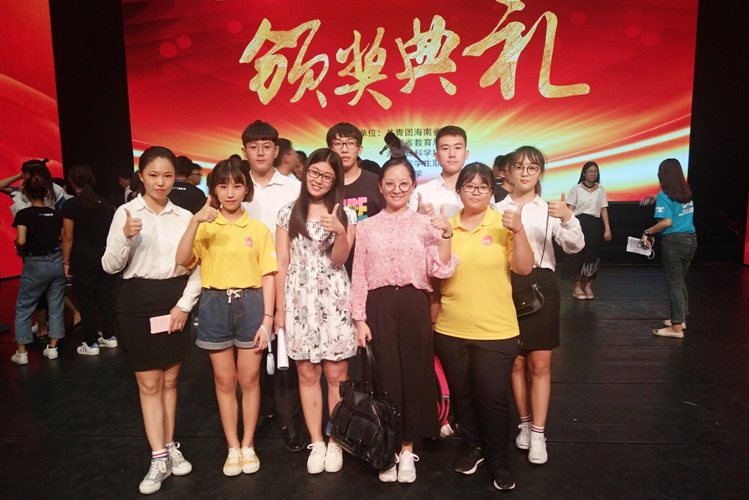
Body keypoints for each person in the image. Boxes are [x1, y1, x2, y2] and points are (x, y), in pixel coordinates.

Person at [352, 157, 459, 483]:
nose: (396, 189)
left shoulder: (425, 224)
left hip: (414, 304)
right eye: (390, 184)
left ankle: (407, 449)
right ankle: (386, 449)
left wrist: (446, 234)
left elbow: (441, 269)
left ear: (413, 186)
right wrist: (359, 319)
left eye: (403, 184)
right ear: (380, 187)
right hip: (379, 306)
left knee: (415, 376)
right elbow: (359, 275)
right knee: (383, 380)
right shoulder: (366, 227)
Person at [101, 146, 201, 495]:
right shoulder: (126, 212)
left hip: (174, 301)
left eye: (168, 175)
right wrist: (126, 237)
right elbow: (110, 266)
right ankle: (158, 457)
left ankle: (170, 446)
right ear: (141, 176)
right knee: (149, 384)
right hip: (137, 303)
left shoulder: (185, 216)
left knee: (171, 381)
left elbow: (197, 267)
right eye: (154, 175)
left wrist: (184, 306)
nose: (161, 182)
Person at [433, 163, 534, 491]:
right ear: (459, 190)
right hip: (451, 328)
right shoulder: (446, 226)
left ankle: (498, 457)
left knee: (492, 398)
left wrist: (519, 230)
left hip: (496, 330)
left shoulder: (504, 223)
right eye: (469, 185)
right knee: (462, 396)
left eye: (483, 186)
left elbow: (523, 268)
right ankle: (473, 446)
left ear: (492, 191)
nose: (476, 191)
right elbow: (436, 274)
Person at [176, 156, 277, 476]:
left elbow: (269, 275)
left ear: (246, 189)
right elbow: (182, 260)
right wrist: (195, 221)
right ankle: (232, 447)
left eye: (237, 185)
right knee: (224, 381)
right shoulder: (205, 226)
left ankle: (248, 445)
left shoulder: (258, 229)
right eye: (223, 186)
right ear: (214, 190)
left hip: (251, 304)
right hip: (214, 305)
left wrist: (268, 319)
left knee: (249, 380)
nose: (230, 192)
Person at [495, 146, 584, 466]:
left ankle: (538, 433)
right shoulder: (495, 207)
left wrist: (569, 218)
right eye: (518, 167)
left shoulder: (549, 209)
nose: (524, 173)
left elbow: (575, 246)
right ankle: (523, 424)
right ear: (507, 171)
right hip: (504, 288)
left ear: (540, 174)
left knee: (540, 366)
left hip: (540, 288)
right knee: (515, 364)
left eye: (531, 168)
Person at [275, 148, 358, 475]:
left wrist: (339, 230)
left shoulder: (345, 214)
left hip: (333, 299)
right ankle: (316, 442)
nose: (319, 180)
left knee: (336, 375)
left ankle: (336, 440)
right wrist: (279, 310)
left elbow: (340, 260)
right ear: (305, 171)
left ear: (335, 181)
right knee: (307, 373)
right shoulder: (287, 212)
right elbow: (282, 263)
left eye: (327, 176)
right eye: (314, 172)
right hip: (298, 300)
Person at [240, 120, 304, 452]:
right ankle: (261, 413)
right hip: (246, 283)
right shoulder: (237, 187)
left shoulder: (294, 189)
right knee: (252, 351)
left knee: (287, 355)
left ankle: (290, 421)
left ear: (276, 150)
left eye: (267, 146)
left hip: (286, 280)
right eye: (254, 147)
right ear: (244, 151)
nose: (261, 153)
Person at [61, 164, 118, 355]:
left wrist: (66, 262)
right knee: (105, 297)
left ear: (71, 181)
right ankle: (109, 336)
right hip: (103, 256)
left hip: (82, 259)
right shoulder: (104, 204)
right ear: (92, 179)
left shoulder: (70, 205)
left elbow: (68, 237)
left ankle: (91, 343)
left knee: (86, 301)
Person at [10, 173, 67, 365]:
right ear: (47, 193)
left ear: (26, 192)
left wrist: (19, 249)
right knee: (56, 304)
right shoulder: (56, 214)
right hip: (57, 261)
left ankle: (22, 352)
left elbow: (21, 240)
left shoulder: (24, 214)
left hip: (35, 263)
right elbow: (63, 238)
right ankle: (53, 348)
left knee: (24, 306)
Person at [642, 159, 696, 338]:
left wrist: (647, 232)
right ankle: (681, 319)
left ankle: (676, 327)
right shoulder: (686, 193)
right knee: (680, 282)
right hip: (691, 240)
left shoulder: (665, 195)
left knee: (674, 285)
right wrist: (656, 198)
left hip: (674, 241)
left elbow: (666, 222)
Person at [326, 123, 385, 276]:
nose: (344, 149)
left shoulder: (376, 183)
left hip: (370, 264)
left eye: (351, 143)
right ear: (329, 149)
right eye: (338, 144)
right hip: (330, 266)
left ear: (359, 149)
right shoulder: (323, 185)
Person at [562, 161, 612, 299]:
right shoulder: (576, 189)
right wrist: (567, 225)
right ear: (584, 173)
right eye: (590, 171)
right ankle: (577, 286)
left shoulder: (600, 189)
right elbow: (570, 209)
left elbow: (603, 210)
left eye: (595, 171)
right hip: (579, 224)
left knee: (592, 256)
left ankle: (588, 286)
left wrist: (607, 229)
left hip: (594, 225)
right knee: (579, 255)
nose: (593, 174)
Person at [408, 125, 469, 218]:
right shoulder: (421, 194)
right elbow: (409, 226)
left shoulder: (480, 191)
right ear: (436, 156)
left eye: (457, 148)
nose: (452, 154)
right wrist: (419, 218)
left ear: (466, 154)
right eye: (445, 148)